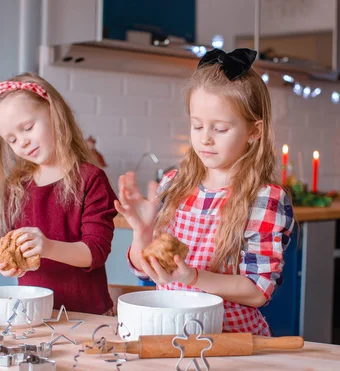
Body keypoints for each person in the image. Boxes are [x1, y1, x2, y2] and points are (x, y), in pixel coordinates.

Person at [115, 48, 295, 336]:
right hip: (169, 334)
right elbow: (143, 269)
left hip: (229, 342)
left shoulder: (264, 198)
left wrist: (192, 277)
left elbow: (257, 291)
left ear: (254, 131)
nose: (205, 138)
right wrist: (142, 232)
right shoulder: (174, 183)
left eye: (220, 128)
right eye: (197, 126)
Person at [0, 73, 117, 315]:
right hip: (32, 316)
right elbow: (9, 244)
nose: (22, 142)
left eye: (28, 128)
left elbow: (95, 252)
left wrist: (47, 248)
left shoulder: (90, 179)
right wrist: (6, 263)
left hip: (87, 317)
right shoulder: (16, 187)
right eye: (12, 139)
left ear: (54, 113)